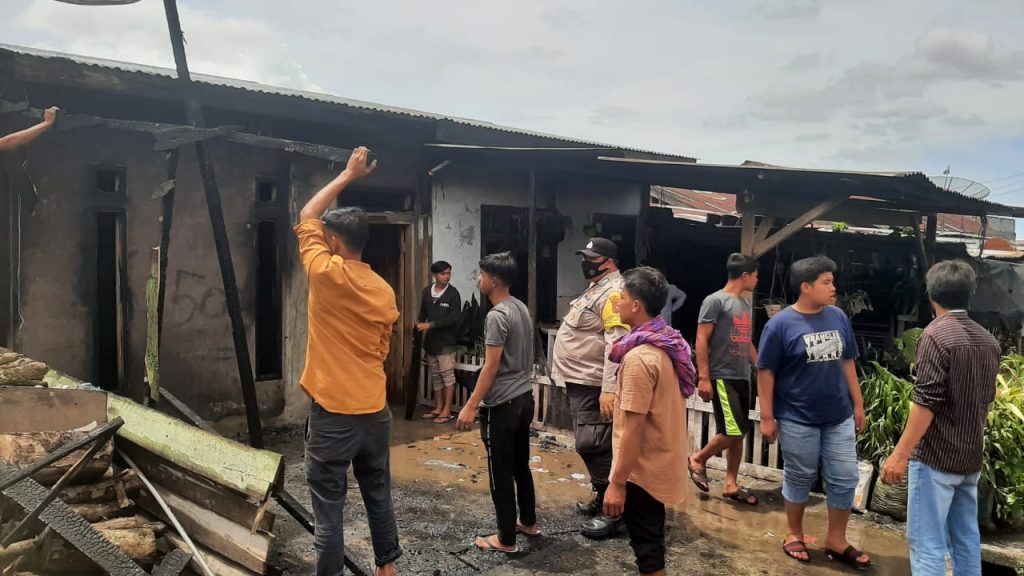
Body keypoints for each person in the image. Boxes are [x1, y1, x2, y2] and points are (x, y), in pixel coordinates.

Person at [295, 147, 401, 576]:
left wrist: (347, 175)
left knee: (329, 509)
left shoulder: (325, 274)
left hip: (334, 412)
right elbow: (382, 349)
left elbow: (307, 213)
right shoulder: (384, 291)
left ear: (335, 242)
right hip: (374, 409)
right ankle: (387, 569)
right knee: (378, 492)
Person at [881, 260, 999, 576]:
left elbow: (926, 403)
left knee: (927, 543)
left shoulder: (935, 335)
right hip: (969, 458)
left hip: (935, 459)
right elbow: (988, 401)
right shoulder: (988, 340)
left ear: (931, 294)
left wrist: (899, 454)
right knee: (966, 539)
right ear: (969, 293)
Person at [756, 256, 870, 570]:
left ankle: (837, 539)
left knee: (845, 477)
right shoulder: (780, 325)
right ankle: (794, 533)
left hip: (838, 415)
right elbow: (765, 371)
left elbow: (848, 360)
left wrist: (858, 404)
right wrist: (767, 417)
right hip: (797, 416)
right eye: (826, 282)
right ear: (806, 287)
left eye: (833, 281)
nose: (833, 288)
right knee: (800, 475)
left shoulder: (837, 316)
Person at [603, 266, 695, 576]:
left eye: (621, 297)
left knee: (649, 553)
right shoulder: (667, 343)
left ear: (635, 305)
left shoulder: (639, 358)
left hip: (642, 472)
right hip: (660, 462)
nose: (616, 302)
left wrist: (617, 484)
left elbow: (633, 429)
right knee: (650, 544)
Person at [456, 252, 539, 553]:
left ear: (493, 280)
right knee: (520, 465)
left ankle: (505, 539)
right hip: (524, 398)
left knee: (500, 472)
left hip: (502, 404)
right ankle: (528, 522)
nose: (478, 280)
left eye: (481, 275)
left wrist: (470, 405)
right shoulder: (521, 308)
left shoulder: (496, 315)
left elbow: (491, 367)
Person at [551, 237, 630, 538]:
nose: (585, 263)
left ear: (609, 262)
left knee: (593, 443)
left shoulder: (614, 292)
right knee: (592, 443)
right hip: (581, 379)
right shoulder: (596, 287)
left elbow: (616, 342)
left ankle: (617, 511)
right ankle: (602, 494)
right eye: (584, 257)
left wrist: (608, 388)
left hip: (594, 382)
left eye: (591, 258)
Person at [688, 253, 760, 505]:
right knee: (734, 430)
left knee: (738, 433)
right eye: (756, 275)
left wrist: (761, 367)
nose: (757, 280)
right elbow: (701, 338)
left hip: (742, 375)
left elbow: (746, 341)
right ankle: (698, 459)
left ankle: (731, 484)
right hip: (722, 375)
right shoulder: (715, 301)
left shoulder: (744, 304)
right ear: (745, 275)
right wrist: (704, 377)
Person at [416, 260, 462, 424]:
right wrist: (419, 323)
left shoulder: (453, 294)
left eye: (449, 273)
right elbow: (423, 313)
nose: (447, 276)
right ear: (435, 275)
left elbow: (454, 318)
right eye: (443, 273)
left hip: (446, 342)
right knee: (435, 376)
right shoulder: (427, 291)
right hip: (431, 342)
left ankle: (447, 410)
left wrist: (431, 325)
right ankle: (438, 407)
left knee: (447, 375)